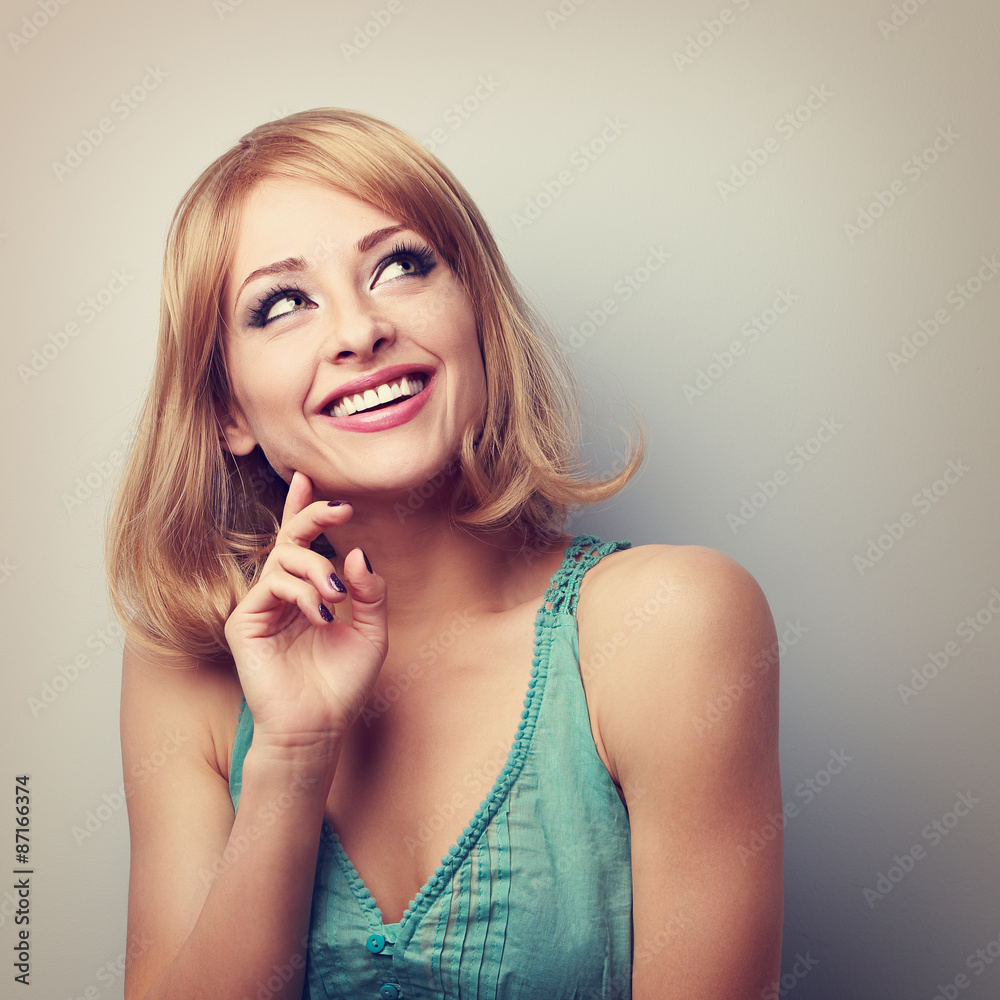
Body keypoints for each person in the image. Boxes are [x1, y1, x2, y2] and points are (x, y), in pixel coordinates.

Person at [107, 108, 782, 1000]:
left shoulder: (672, 622)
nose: (359, 330)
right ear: (228, 410)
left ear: (475, 316)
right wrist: (293, 752)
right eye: (282, 304)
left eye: (400, 265)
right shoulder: (184, 669)